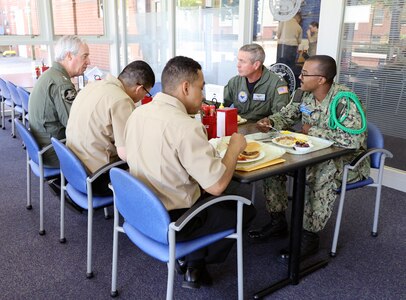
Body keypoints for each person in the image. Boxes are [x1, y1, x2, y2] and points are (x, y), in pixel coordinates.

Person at [125, 56, 256, 289]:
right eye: (201, 86)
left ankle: (194, 262)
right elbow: (216, 187)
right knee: (244, 208)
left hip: (140, 211)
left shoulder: (137, 113)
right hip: (174, 221)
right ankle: (195, 260)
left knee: (204, 195)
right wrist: (234, 149)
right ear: (186, 87)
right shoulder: (184, 125)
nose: (203, 94)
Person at [249, 55, 370, 261]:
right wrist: (271, 121)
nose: (300, 76)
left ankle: (309, 236)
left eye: (305, 73)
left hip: (346, 162)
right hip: (310, 152)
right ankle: (278, 221)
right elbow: (287, 116)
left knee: (321, 170)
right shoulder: (302, 93)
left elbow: (353, 140)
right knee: (272, 162)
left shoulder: (344, 100)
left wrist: (311, 131)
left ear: (321, 79)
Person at [66, 60, 155, 195]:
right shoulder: (122, 100)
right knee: (152, 169)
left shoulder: (92, 86)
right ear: (139, 88)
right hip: (96, 177)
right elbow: (125, 154)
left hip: (72, 169)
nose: (144, 97)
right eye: (147, 93)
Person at [29, 35, 90, 168]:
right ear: (69, 56)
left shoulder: (50, 74)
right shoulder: (62, 84)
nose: (88, 62)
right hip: (54, 152)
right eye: (84, 56)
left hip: (42, 146)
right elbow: (74, 127)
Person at [224, 43, 290, 121]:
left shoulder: (277, 84)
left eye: (242, 61)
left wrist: (269, 122)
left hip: (263, 130)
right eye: (238, 60)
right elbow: (219, 103)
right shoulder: (235, 82)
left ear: (256, 65)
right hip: (239, 127)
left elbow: (282, 116)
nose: (238, 65)